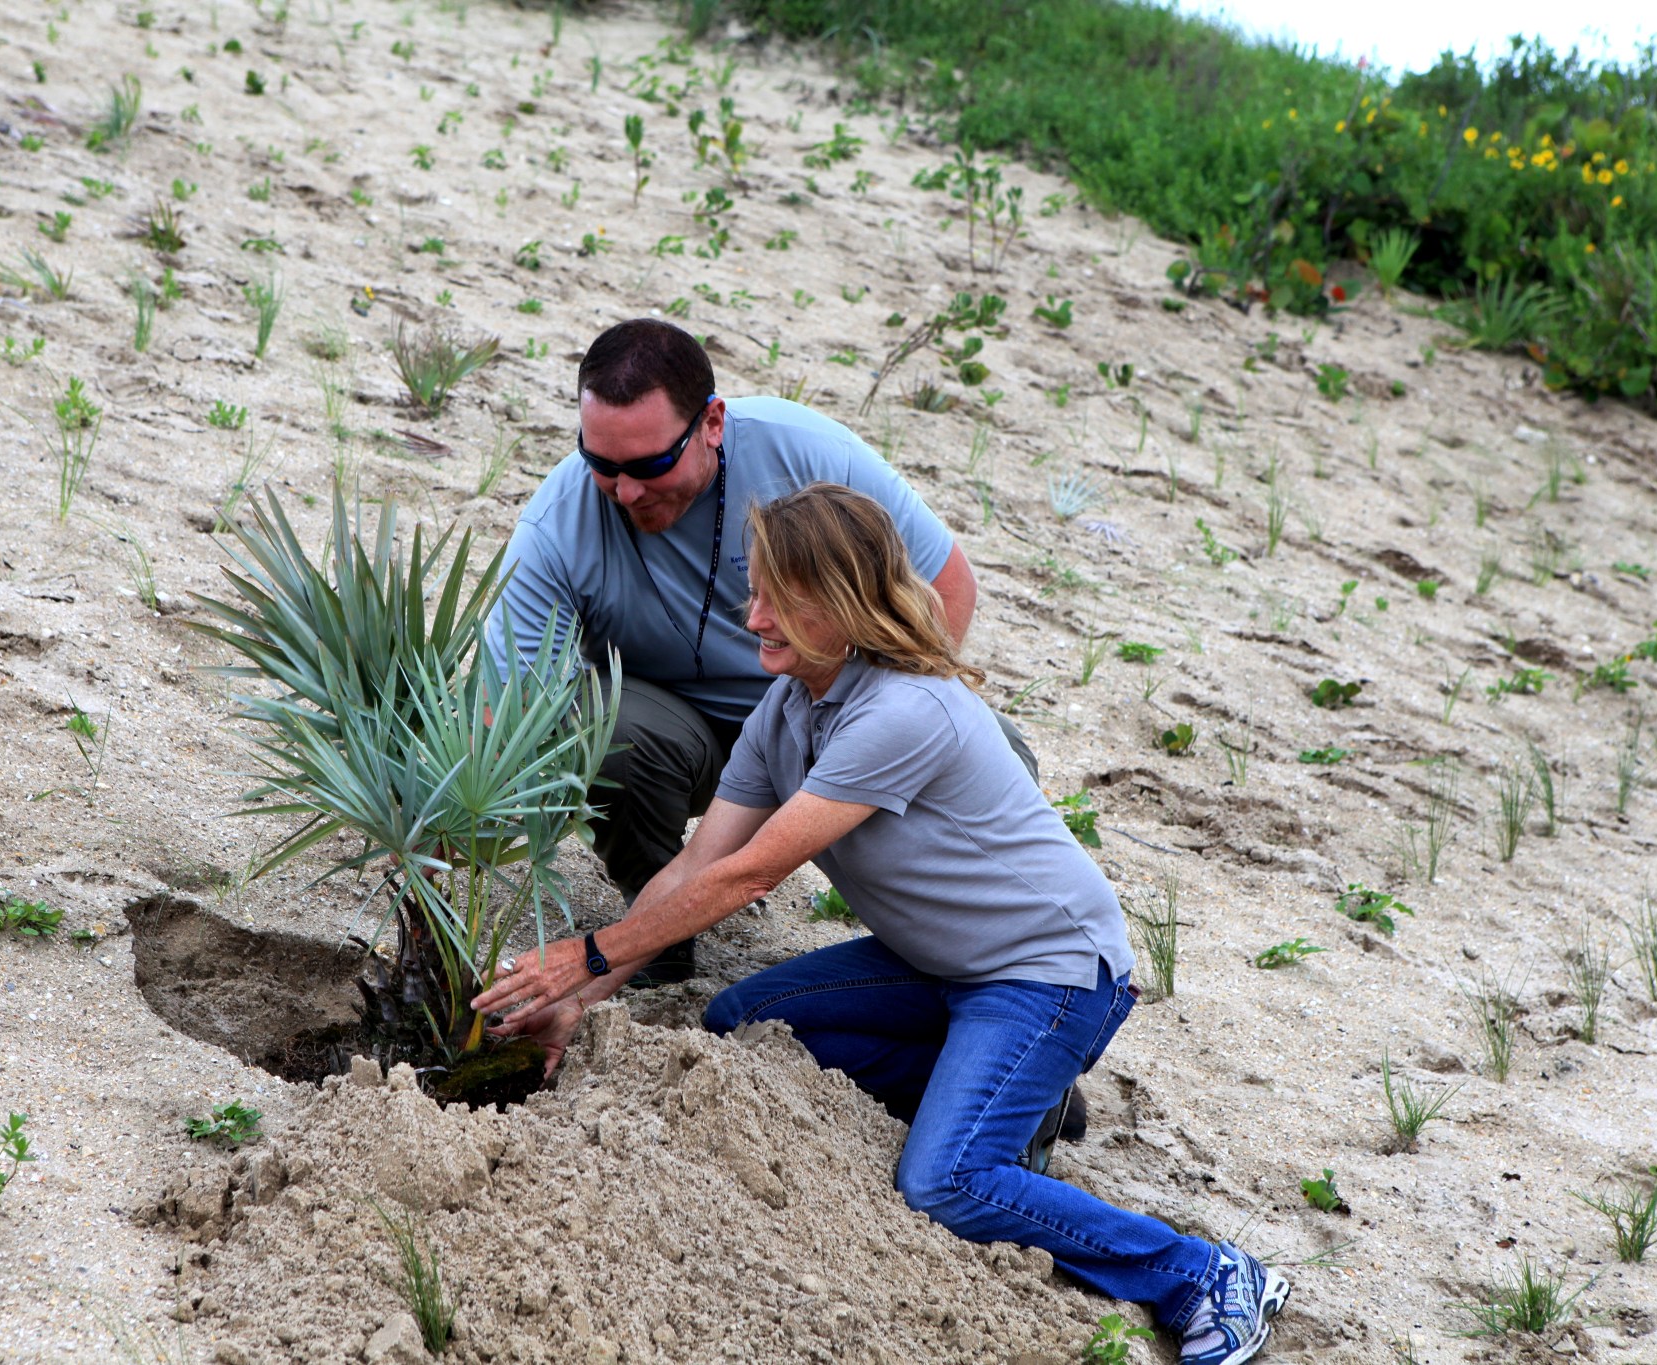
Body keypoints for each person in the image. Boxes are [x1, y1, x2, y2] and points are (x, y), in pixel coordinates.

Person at [473, 485, 1290, 1365]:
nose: (753, 617)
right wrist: (582, 996)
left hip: (1052, 975)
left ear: (844, 602)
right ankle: (1011, 1094)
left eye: (779, 600)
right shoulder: (786, 712)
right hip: (939, 968)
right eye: (753, 591)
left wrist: (581, 954)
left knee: (946, 1182)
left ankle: (1205, 1272)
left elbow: (752, 873)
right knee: (739, 1023)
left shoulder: (903, 709)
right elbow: (693, 866)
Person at [483, 318, 1035, 986]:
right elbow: (506, 709)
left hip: (825, 717)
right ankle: (654, 943)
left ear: (712, 422)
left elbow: (947, 582)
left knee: (996, 750)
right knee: (600, 723)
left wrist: (874, 727)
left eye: (651, 464)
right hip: (678, 737)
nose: (626, 491)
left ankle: (956, 968)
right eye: (602, 464)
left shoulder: (806, 453)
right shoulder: (558, 522)